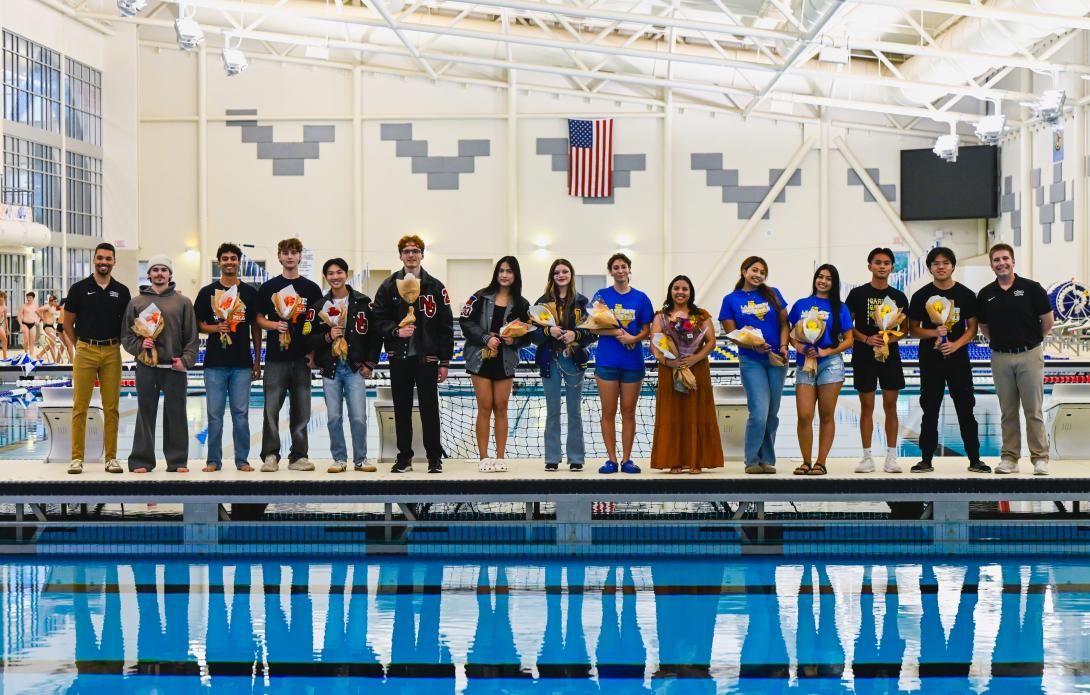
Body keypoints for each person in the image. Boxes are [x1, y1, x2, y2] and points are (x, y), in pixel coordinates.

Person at [372, 234, 455, 474]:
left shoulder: (435, 286)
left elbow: (446, 324)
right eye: (406, 251)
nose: (411, 255)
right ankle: (404, 458)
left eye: (415, 251)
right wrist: (397, 332)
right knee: (402, 409)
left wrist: (445, 361)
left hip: (427, 358)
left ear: (422, 255)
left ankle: (434, 458)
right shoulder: (388, 286)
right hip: (400, 357)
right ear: (400, 256)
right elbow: (378, 319)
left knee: (430, 409)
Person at [908, 246, 987, 473]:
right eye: (936, 263)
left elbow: (972, 329)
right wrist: (935, 333)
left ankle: (975, 459)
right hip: (930, 360)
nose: (941, 267)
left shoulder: (966, 294)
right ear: (930, 268)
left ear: (953, 265)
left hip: (958, 359)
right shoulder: (921, 295)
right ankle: (925, 459)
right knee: (929, 408)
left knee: (965, 408)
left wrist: (955, 344)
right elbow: (913, 330)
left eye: (945, 263)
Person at [977, 243, 1053, 475]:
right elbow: (984, 327)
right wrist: (1004, 343)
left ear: (1013, 261)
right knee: (1008, 411)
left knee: (1034, 410)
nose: (1001, 263)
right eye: (996, 260)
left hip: (1029, 354)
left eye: (1005, 259)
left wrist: (1029, 341)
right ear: (991, 265)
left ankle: (1040, 458)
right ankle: (1009, 458)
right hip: (1000, 356)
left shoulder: (1032, 289)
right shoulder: (986, 294)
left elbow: (1047, 321)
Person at [121, 255, 199, 473]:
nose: (159, 274)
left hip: (174, 368)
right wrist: (140, 345)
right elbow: (126, 336)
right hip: (146, 367)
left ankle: (177, 461)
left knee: (176, 414)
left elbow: (192, 337)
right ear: (149, 274)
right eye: (155, 270)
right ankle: (141, 460)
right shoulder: (137, 302)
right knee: (145, 413)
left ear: (170, 274)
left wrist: (185, 361)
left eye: (164, 270)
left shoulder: (182, 302)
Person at [256, 238, 324, 473]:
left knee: (302, 410)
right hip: (276, 358)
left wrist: (313, 354)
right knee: (271, 409)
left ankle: (298, 456)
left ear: (300, 257)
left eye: (293, 253)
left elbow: (317, 325)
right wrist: (275, 326)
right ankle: (271, 455)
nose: (289, 257)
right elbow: (258, 318)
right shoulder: (269, 287)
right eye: (285, 253)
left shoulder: (311, 289)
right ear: (279, 257)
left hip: (302, 358)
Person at [63, 242, 131, 475]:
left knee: (112, 408)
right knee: (80, 406)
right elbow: (66, 323)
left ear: (114, 261)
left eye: (108, 258)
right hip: (86, 350)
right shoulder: (79, 289)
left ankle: (111, 458)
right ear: (94, 259)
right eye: (100, 258)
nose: (104, 262)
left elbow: (127, 324)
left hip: (112, 351)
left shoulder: (122, 291)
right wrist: (79, 346)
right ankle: (76, 458)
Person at [195, 243, 262, 473]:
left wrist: (256, 361)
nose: (229, 262)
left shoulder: (250, 293)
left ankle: (242, 460)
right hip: (214, 363)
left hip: (242, 364)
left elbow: (256, 327)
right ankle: (213, 460)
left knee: (241, 415)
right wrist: (217, 328)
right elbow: (198, 325)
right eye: (225, 258)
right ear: (219, 262)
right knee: (214, 415)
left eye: (234, 258)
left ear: (239, 261)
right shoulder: (207, 293)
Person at [460, 256, 531, 472]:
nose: (504, 275)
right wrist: (485, 338)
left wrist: (515, 340)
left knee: (501, 408)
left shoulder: (522, 304)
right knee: (484, 407)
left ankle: (500, 457)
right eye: (501, 270)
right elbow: (465, 322)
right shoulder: (480, 296)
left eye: (509, 271)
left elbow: (528, 334)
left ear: (515, 275)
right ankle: (483, 457)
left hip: (505, 360)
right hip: (481, 359)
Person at [719, 256, 789, 474]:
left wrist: (785, 346)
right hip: (752, 360)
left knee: (772, 413)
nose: (758, 275)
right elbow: (732, 333)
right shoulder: (731, 299)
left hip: (777, 359)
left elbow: (785, 324)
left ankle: (767, 459)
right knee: (758, 411)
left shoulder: (773, 294)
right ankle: (751, 460)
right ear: (744, 271)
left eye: (762, 272)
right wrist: (752, 345)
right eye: (754, 270)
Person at [312, 257, 380, 474]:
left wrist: (369, 363)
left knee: (359, 416)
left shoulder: (363, 302)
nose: (335, 277)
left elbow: (375, 335)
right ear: (325, 277)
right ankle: (339, 459)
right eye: (330, 273)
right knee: (333, 417)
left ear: (346, 275)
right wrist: (327, 336)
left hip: (354, 367)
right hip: (330, 369)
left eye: (339, 272)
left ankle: (360, 459)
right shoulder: (318, 307)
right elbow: (307, 337)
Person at [648, 275, 722, 473]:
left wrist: (694, 359)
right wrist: (668, 361)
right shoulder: (660, 317)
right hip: (670, 369)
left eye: (684, 289)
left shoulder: (701, 316)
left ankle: (696, 460)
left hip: (696, 367)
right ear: (670, 291)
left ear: (691, 293)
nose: (680, 292)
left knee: (696, 411)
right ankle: (675, 461)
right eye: (676, 288)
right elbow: (654, 345)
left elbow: (711, 342)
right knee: (673, 413)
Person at [846, 247, 908, 474]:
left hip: (890, 357)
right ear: (869, 265)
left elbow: (906, 328)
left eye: (886, 263)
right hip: (864, 357)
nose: (882, 266)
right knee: (867, 407)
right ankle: (867, 457)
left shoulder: (899, 297)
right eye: (877, 262)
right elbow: (847, 327)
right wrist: (866, 338)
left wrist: (887, 339)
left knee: (891, 407)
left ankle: (891, 457)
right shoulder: (857, 295)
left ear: (892, 267)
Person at [531, 259, 596, 472]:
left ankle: (576, 457)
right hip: (550, 359)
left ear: (571, 274)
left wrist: (574, 334)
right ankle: (552, 457)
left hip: (574, 359)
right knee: (552, 411)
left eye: (565, 271)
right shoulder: (541, 302)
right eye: (557, 272)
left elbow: (592, 332)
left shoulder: (581, 302)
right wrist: (548, 332)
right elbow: (533, 334)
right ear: (552, 276)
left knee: (574, 411)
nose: (561, 275)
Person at [591, 253, 654, 475]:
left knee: (629, 412)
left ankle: (627, 459)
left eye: (623, 267)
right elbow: (592, 327)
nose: (620, 271)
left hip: (633, 362)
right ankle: (611, 459)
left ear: (629, 270)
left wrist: (633, 339)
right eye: (615, 267)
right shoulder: (602, 296)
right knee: (608, 412)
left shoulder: (641, 298)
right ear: (610, 271)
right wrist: (617, 331)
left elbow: (647, 329)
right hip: (608, 361)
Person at [788, 265, 853, 476]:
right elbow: (789, 332)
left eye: (828, 278)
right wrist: (797, 346)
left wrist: (826, 352)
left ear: (834, 283)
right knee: (805, 415)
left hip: (830, 363)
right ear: (815, 279)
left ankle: (821, 462)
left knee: (826, 414)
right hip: (804, 362)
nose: (823, 281)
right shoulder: (801, 305)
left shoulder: (840, 308)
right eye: (820, 277)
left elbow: (849, 340)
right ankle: (805, 461)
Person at [35, 295, 63, 362]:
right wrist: (42, 318)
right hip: (47, 326)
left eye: (56, 301)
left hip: (52, 326)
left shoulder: (53, 307)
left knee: (52, 344)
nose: (56, 302)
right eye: (55, 301)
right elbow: (37, 310)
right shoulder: (47, 306)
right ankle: (40, 354)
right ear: (51, 301)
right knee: (53, 343)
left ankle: (55, 360)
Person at [18, 291, 37, 356]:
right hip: (25, 324)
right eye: (27, 297)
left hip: (33, 324)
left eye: (30, 297)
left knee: (32, 341)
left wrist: (38, 320)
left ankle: (31, 355)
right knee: (26, 340)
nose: (28, 299)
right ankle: (26, 353)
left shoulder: (35, 306)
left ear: (33, 298)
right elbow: (19, 316)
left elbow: (40, 314)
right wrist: (21, 325)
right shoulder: (23, 306)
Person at [56, 297, 74, 363]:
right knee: (66, 345)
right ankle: (58, 362)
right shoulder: (65, 300)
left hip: (63, 325)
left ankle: (71, 363)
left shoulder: (72, 301)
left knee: (66, 345)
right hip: (62, 325)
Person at [0, 292, 8, 360]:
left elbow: (5, 319)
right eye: (0, 300)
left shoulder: (5, 307)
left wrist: (7, 328)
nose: (1, 301)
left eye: (2, 300)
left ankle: (5, 357)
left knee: (4, 340)